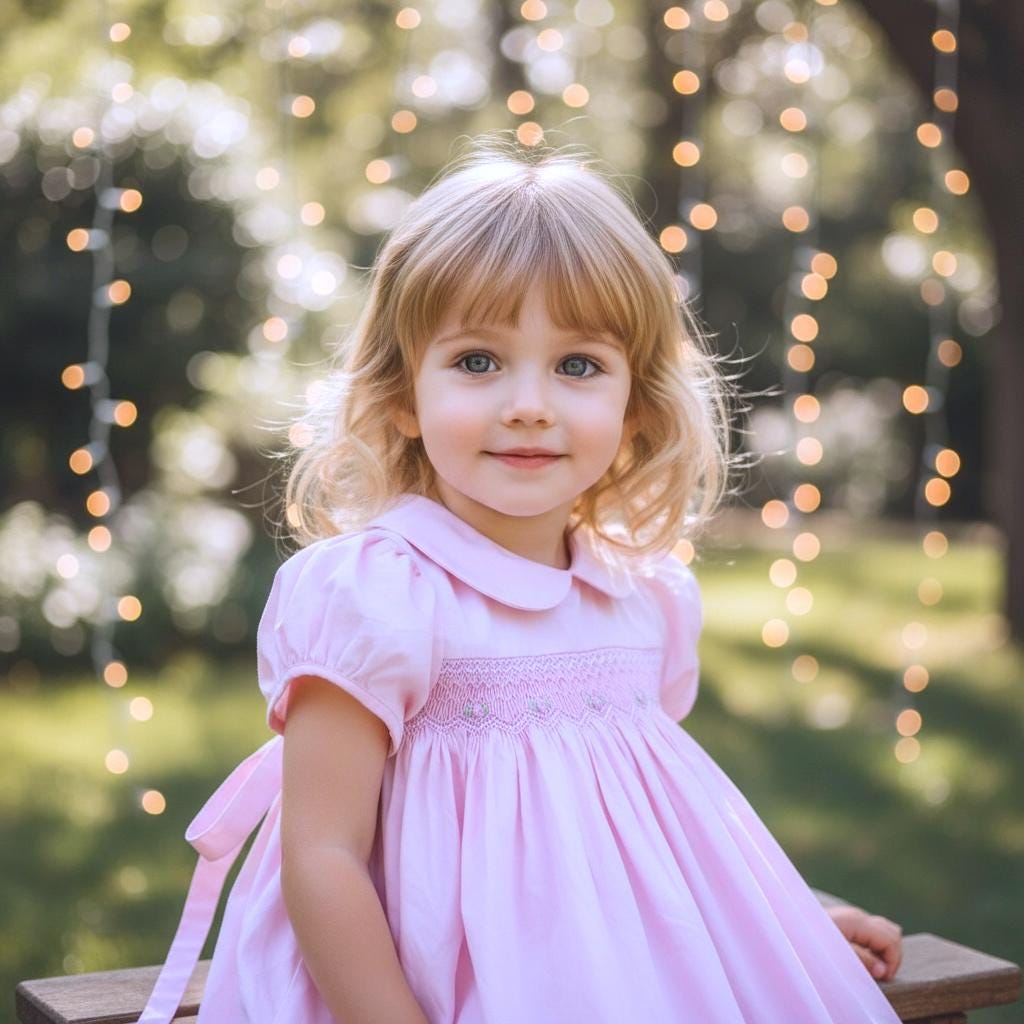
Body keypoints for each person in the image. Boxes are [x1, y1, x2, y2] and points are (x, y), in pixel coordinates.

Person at [138, 136, 904, 1023]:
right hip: (422, 990)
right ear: (400, 394)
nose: (530, 402)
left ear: (635, 407)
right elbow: (322, 860)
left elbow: (648, 834)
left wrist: (781, 917)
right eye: (477, 361)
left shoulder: (639, 596)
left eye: (578, 365)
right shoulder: (383, 597)